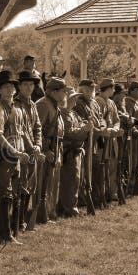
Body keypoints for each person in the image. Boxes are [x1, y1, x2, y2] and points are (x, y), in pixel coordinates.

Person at [0, 71, 29, 243]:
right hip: (3, 157)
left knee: (16, 195)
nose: (10, 89)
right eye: (6, 87)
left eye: (12, 86)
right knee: (4, 196)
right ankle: (5, 233)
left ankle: (12, 230)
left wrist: (28, 150)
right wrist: (15, 152)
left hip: (16, 157)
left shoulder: (17, 109)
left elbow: (22, 132)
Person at [14, 70, 44, 233]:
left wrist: (38, 144)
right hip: (22, 150)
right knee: (21, 185)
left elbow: (37, 126)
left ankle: (23, 218)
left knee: (30, 186)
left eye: (31, 84)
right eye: (25, 84)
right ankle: (17, 221)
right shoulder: (16, 104)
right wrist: (32, 147)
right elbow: (22, 129)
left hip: (33, 150)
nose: (29, 87)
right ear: (19, 86)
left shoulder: (32, 104)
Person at [35, 77, 66, 221]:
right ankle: (41, 213)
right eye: (63, 91)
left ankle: (49, 211)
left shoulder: (53, 104)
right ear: (54, 92)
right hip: (46, 149)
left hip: (55, 148)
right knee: (44, 184)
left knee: (53, 183)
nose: (65, 94)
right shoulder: (43, 105)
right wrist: (45, 149)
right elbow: (36, 131)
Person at [59, 87, 90, 217]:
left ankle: (72, 205)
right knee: (70, 180)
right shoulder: (64, 114)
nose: (75, 100)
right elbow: (70, 134)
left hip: (76, 151)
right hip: (69, 152)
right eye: (73, 98)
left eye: (76, 97)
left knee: (76, 180)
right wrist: (84, 129)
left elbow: (80, 123)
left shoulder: (72, 113)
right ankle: (69, 207)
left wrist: (83, 126)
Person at [96, 78, 122, 203]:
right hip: (102, 139)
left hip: (112, 138)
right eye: (112, 88)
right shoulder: (98, 102)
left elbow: (117, 120)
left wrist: (115, 129)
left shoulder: (111, 103)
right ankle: (101, 193)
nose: (114, 90)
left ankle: (112, 192)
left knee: (112, 165)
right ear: (109, 88)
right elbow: (99, 120)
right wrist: (108, 130)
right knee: (102, 167)